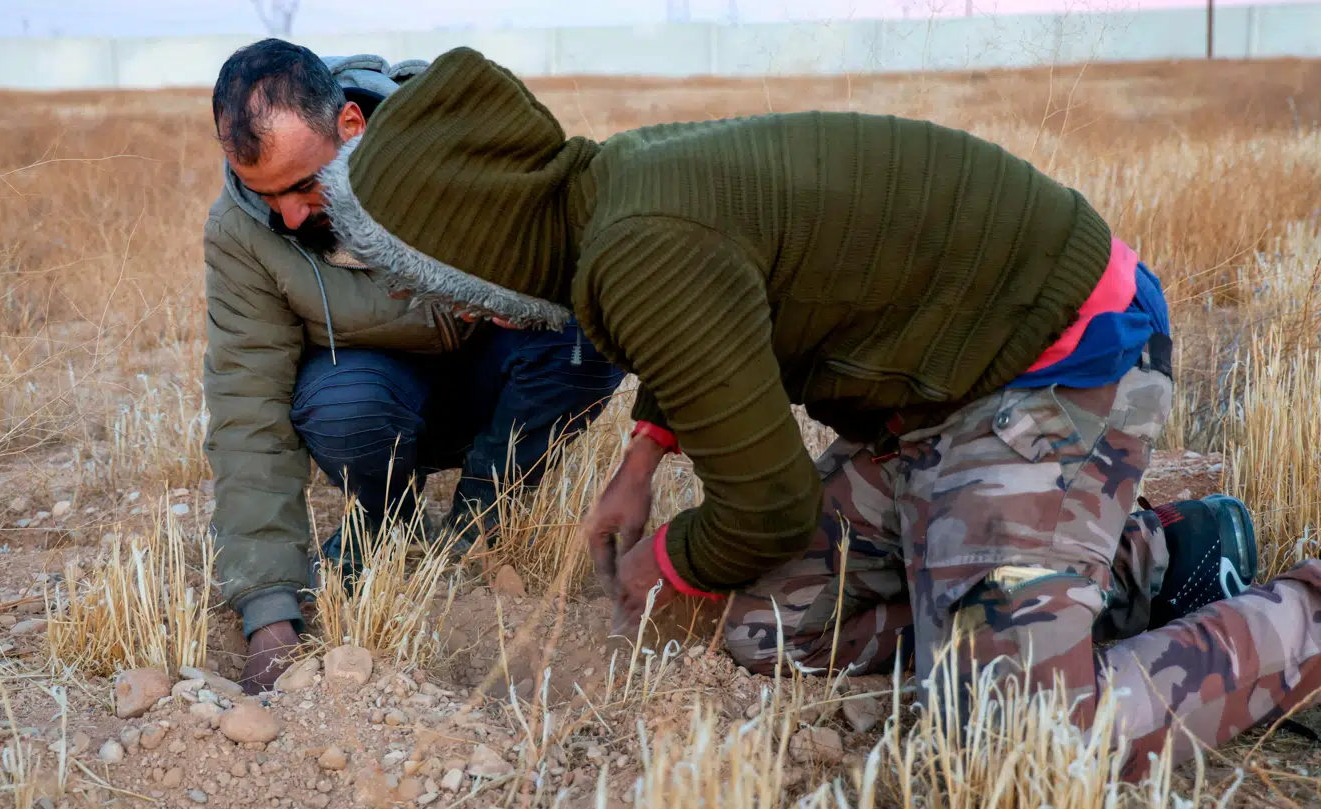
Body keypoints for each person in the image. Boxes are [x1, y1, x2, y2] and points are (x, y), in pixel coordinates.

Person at [310, 45, 1321, 781]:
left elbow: (767, 504)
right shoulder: (607, 194)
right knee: (763, 627)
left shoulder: (634, 246)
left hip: (1062, 369)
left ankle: (1295, 610)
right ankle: (1153, 556)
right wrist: (643, 457)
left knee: (1012, 737)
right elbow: (718, 314)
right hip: (930, 411)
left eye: (439, 278)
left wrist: (667, 566)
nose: (469, 311)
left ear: (468, 239)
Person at [202, 40, 626, 694]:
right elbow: (246, 408)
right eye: (266, 196)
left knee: (585, 327)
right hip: (374, 396)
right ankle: (384, 514)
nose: (287, 216)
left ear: (351, 127)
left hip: (493, 375)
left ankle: (480, 528)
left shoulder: (457, 139)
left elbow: (582, 255)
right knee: (343, 409)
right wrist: (268, 612)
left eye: (303, 186)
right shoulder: (241, 230)